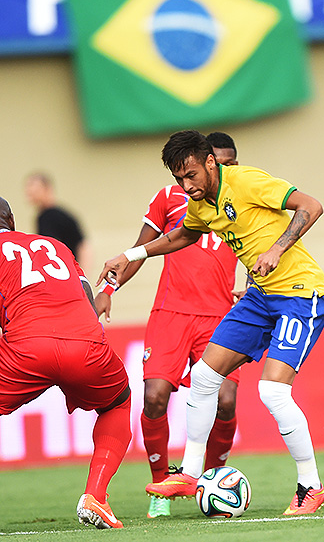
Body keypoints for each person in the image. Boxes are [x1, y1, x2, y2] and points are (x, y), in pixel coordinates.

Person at [97, 130, 324, 516]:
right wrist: (131, 253)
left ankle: (311, 486)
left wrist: (276, 248)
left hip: (301, 294)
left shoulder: (247, 181)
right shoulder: (202, 204)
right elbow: (182, 235)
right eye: (178, 179)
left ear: (210, 163)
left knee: (272, 392)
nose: (186, 186)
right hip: (260, 297)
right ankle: (189, 473)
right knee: (205, 378)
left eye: (191, 175)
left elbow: (311, 205)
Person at [96, 132, 241, 519]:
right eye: (218, 162)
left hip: (220, 317)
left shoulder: (244, 201)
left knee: (225, 401)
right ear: (207, 160)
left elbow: (262, 248)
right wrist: (111, 288)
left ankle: (210, 480)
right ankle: (162, 483)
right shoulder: (172, 197)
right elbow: (144, 246)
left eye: (230, 165)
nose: (223, 170)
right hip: (171, 314)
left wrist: (252, 289)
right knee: (155, 396)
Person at [0, 197, 131, 529]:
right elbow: (87, 299)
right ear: (12, 221)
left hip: (26, 348)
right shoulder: (54, 245)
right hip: (86, 343)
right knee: (118, 403)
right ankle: (96, 496)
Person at [25, 172, 92, 274]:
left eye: (35, 190)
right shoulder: (59, 214)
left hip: (62, 274)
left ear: (47, 189)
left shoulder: (48, 216)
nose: (30, 193)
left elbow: (82, 246)